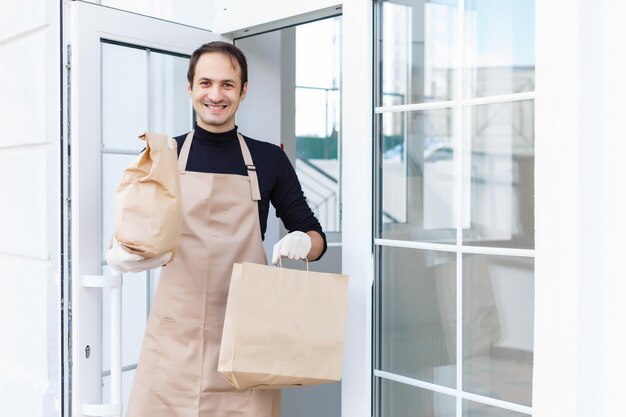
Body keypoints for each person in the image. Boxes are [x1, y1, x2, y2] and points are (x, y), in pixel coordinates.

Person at [106, 41, 327, 417]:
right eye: (206, 82)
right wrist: (125, 255)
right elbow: (131, 231)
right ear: (190, 88)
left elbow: (315, 236)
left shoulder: (268, 158)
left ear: (243, 91)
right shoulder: (165, 156)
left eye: (228, 84)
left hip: (248, 336)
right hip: (175, 336)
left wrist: (300, 242)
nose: (216, 95)